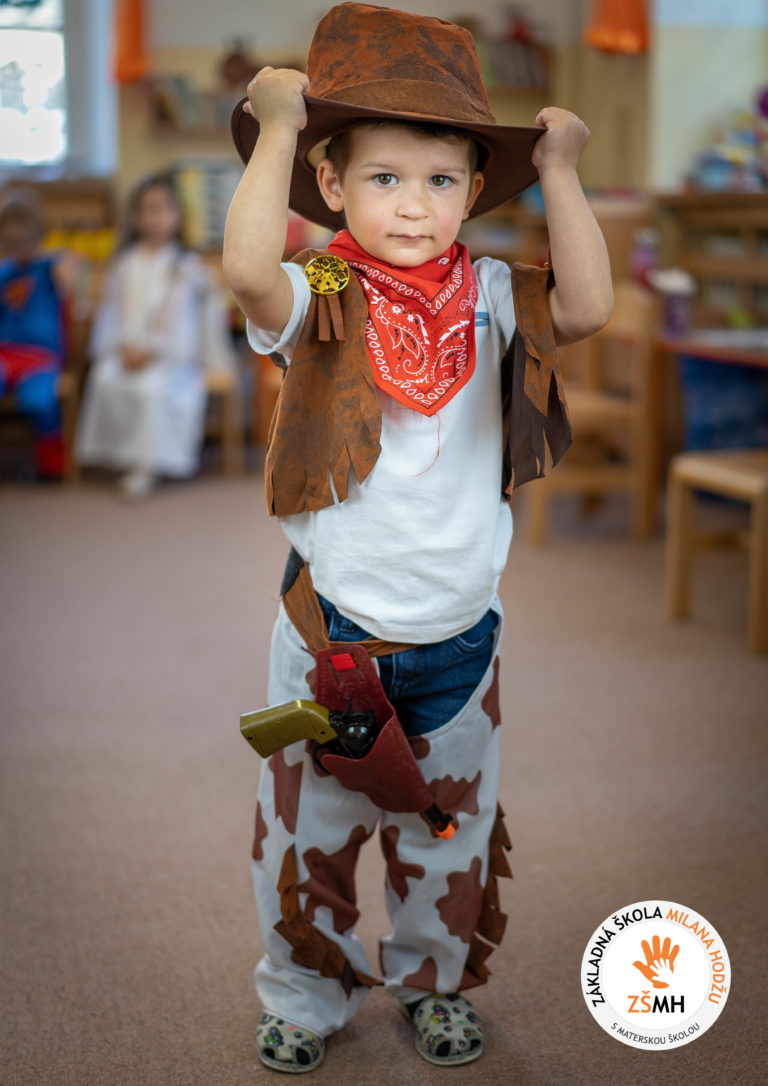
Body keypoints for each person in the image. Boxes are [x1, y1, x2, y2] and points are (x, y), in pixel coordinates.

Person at [224, 3, 613, 1074]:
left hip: (461, 638)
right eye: (384, 177)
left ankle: (434, 983)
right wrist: (276, 128)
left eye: (441, 180)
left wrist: (562, 170)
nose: (414, 204)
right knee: (305, 837)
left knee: (450, 834)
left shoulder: (490, 293)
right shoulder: (326, 286)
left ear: (474, 192)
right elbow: (251, 273)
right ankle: (304, 997)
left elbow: (586, 307)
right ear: (332, 184)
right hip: (333, 638)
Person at [76, 173, 213, 499]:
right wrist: (122, 347)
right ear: (135, 217)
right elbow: (113, 312)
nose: (153, 218)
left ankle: (145, 466)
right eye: (146, 210)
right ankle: (119, 457)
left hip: (171, 358)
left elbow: (185, 322)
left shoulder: (186, 266)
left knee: (150, 389)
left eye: (161, 209)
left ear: (177, 215)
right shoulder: (125, 263)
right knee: (105, 377)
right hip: (126, 350)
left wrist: (154, 350)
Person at [0, 195, 79, 479]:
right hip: (5, 353)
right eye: (11, 242)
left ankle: (51, 465)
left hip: (41, 356)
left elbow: (71, 286)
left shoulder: (50, 267)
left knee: (39, 400)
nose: (19, 249)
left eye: (24, 241)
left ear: (38, 238)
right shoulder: (4, 272)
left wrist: (58, 260)